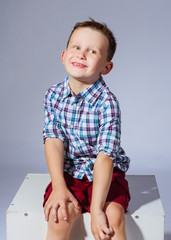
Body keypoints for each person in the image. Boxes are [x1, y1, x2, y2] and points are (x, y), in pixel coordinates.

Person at [43, 18, 130, 240]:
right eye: (77, 47)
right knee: (59, 215)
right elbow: (53, 140)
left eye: (92, 51)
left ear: (106, 67)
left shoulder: (107, 103)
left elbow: (105, 157)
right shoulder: (53, 95)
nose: (81, 54)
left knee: (113, 220)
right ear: (64, 56)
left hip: (104, 174)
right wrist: (59, 188)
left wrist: (96, 210)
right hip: (70, 172)